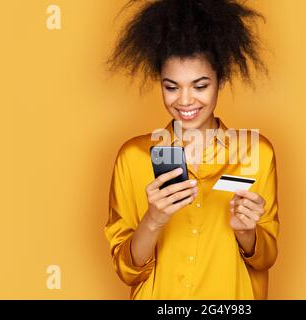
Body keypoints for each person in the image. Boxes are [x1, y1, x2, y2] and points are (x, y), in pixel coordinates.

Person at [104, 0, 279, 299]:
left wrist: (246, 233)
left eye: (200, 86)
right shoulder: (133, 157)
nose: (185, 101)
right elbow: (126, 269)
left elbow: (266, 259)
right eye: (171, 87)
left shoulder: (255, 153)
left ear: (220, 80)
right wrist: (154, 220)